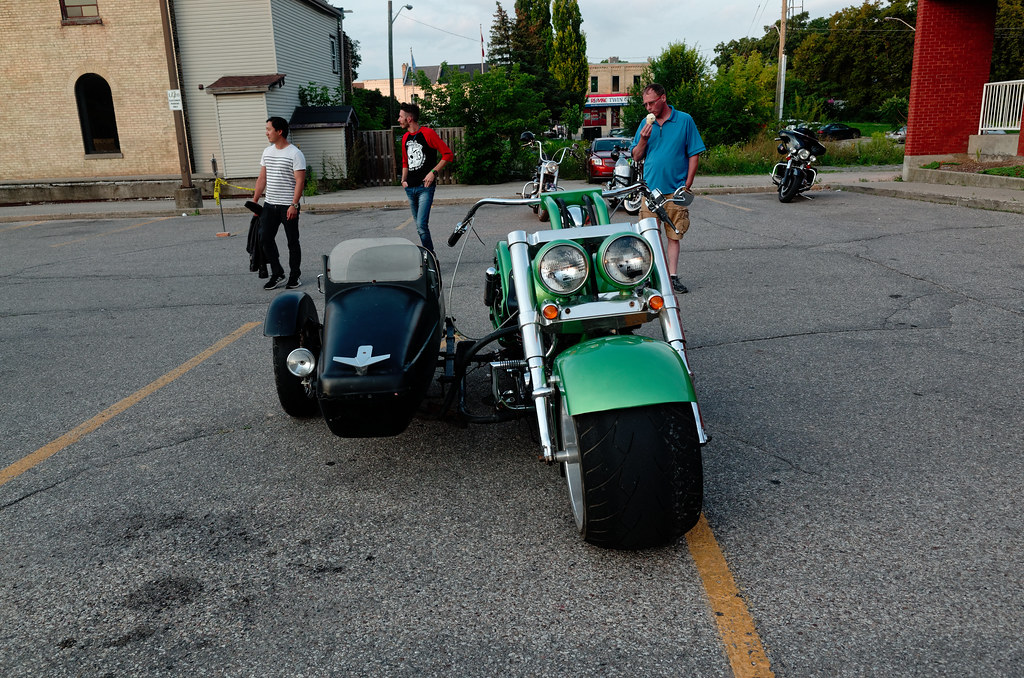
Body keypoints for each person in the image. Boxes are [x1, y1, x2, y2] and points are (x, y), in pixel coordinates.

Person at [630, 83, 705, 294]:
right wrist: (643, 139)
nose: (648, 108)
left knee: (674, 235)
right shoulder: (645, 124)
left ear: (663, 98)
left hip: (675, 190)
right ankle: (650, 277)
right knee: (649, 237)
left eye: (651, 103)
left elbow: (694, 153)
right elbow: (636, 156)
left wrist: (688, 184)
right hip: (650, 191)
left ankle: (672, 277)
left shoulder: (684, 120)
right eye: (645, 104)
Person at [253, 116, 306, 290]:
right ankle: (277, 273)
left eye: (269, 129)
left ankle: (294, 276)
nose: (266, 133)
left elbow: (300, 181)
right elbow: (262, 178)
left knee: (292, 241)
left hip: (288, 206)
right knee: (264, 238)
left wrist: (294, 205)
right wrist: (255, 202)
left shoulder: (295, 154)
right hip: (270, 205)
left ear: (279, 131)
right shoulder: (267, 152)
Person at [398, 102, 454, 253]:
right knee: (419, 227)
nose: (399, 119)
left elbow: (448, 154)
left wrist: (433, 172)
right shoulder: (404, 138)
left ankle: (431, 257)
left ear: (409, 119)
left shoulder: (428, 133)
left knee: (422, 225)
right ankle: (430, 257)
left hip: (425, 188)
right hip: (410, 188)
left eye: (401, 116)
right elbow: (405, 161)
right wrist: (403, 181)